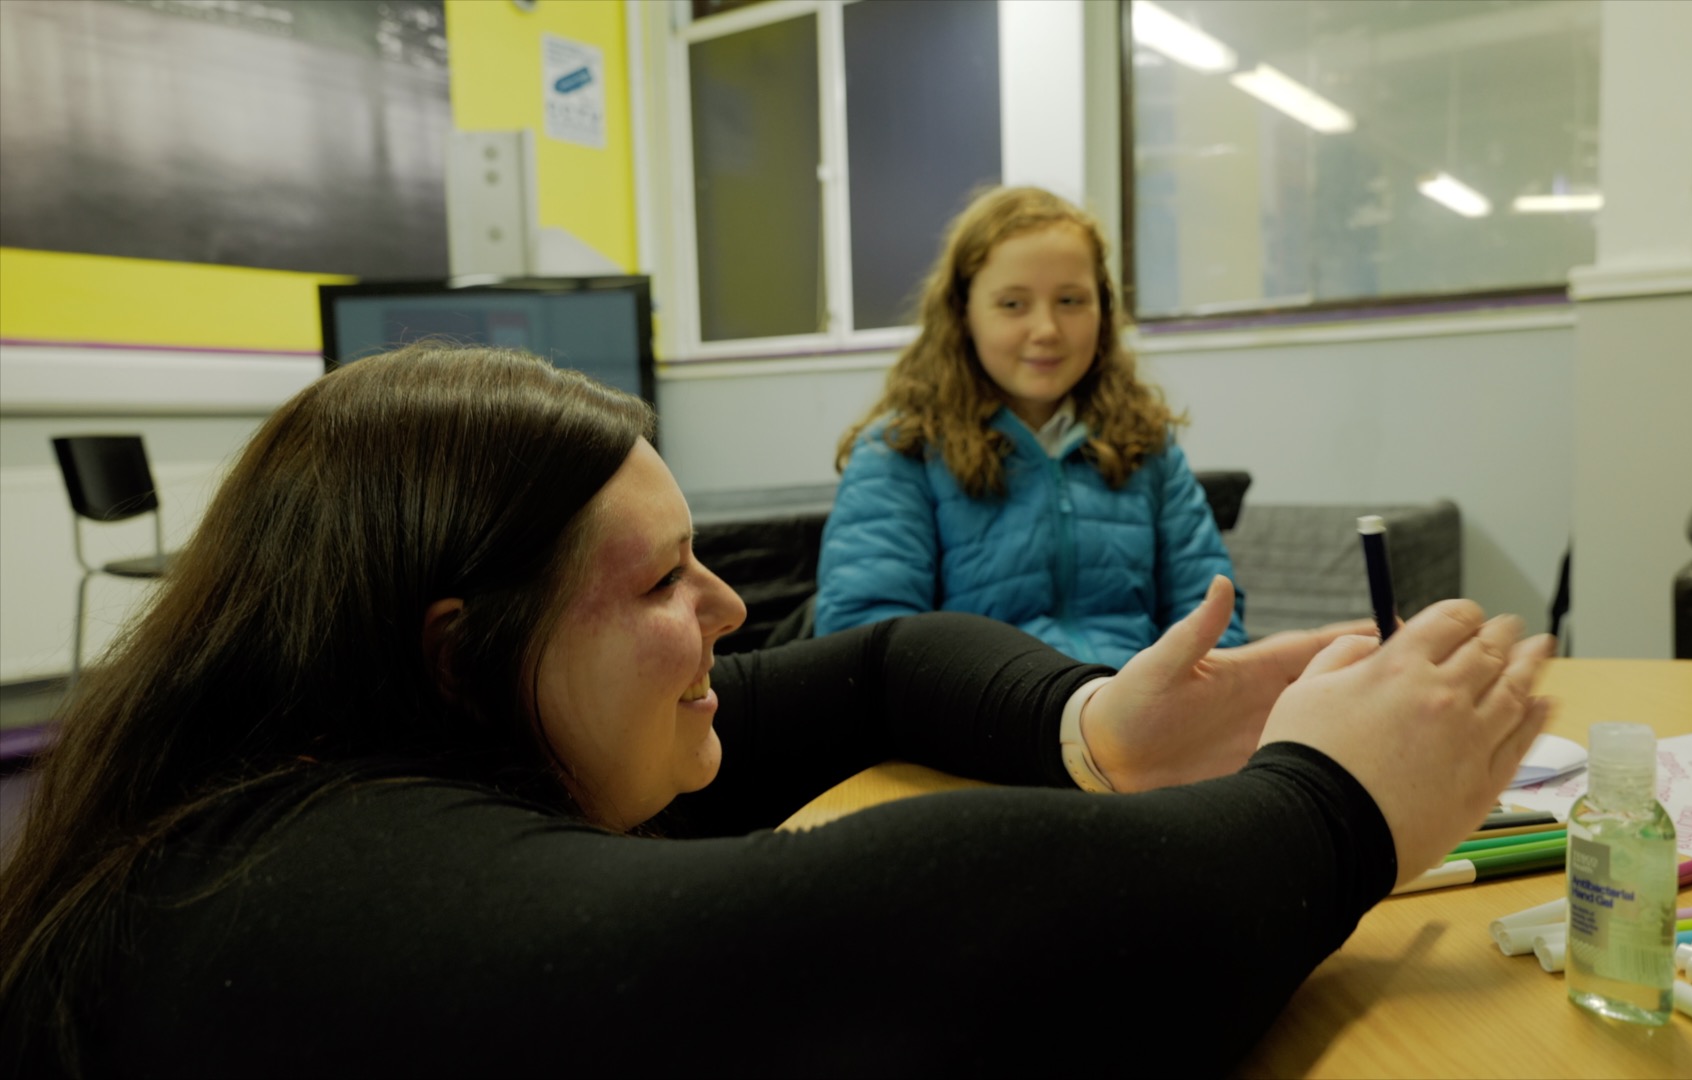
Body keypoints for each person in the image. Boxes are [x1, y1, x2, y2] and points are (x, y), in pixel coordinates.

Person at [0, 345, 1554, 1077]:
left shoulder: (353, 730)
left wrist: (1097, 732)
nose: (730, 616)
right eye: (668, 583)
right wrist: (1333, 804)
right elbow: (905, 940)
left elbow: (882, 666)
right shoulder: (302, 887)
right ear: (461, 653)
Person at [814, 186, 1246, 667]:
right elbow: (867, 647)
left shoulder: (1146, 444)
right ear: (963, 314)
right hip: (975, 730)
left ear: (1102, 311)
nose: (1046, 329)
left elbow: (1211, 617)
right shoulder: (899, 452)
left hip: (1140, 719)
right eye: (1013, 305)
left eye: (1070, 300)